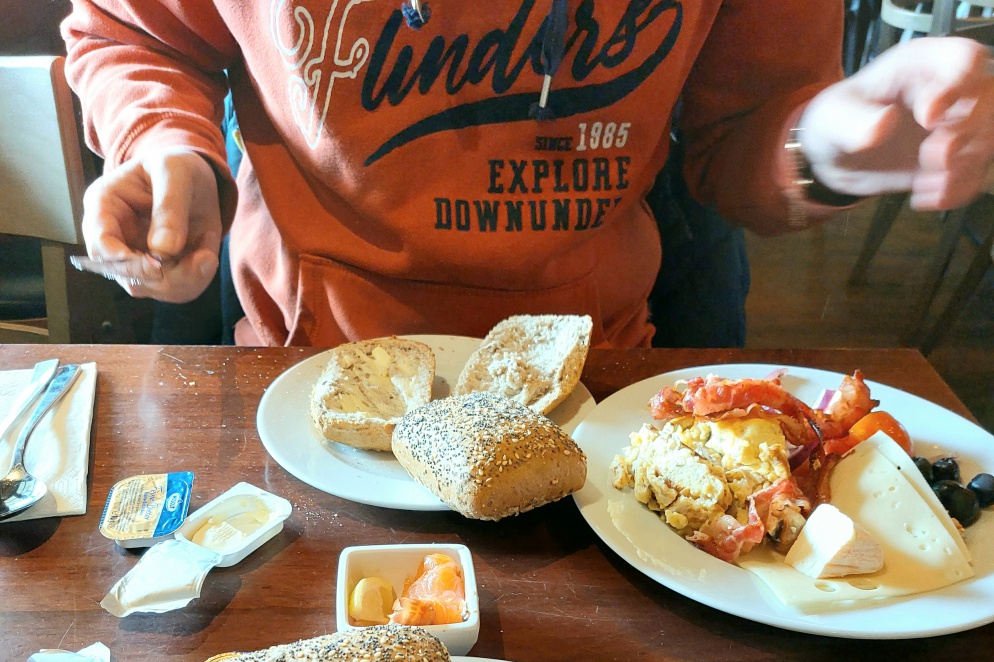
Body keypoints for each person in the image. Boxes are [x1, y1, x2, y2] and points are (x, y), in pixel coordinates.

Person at [62, 1, 994, 349]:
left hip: (600, 372)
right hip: (312, 361)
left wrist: (830, 146)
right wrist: (163, 142)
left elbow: (742, 131)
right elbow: (132, 30)